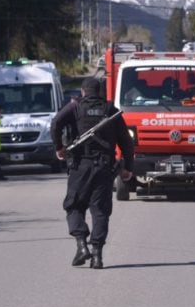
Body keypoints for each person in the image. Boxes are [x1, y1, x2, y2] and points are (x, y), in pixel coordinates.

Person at [50, 77, 134, 269]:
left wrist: (59, 148)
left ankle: (81, 245)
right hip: (104, 168)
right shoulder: (110, 111)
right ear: (101, 92)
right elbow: (127, 143)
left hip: (80, 166)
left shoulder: (76, 108)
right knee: (100, 211)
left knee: (73, 206)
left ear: (82, 91)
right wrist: (128, 167)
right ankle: (97, 256)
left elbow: (55, 124)